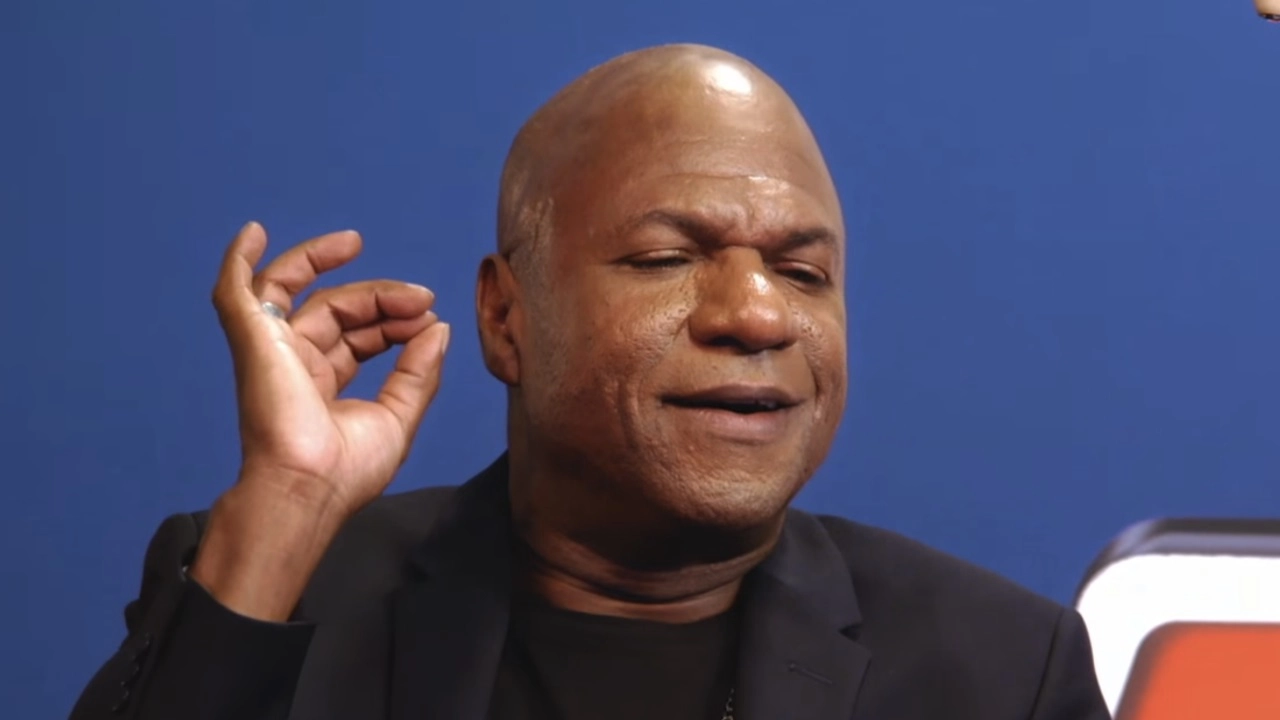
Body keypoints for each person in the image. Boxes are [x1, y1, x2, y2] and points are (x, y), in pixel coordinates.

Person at [70, 44, 1110, 720]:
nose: (757, 315)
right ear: (505, 318)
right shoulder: (277, 595)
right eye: (665, 259)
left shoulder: (1000, 672)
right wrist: (288, 504)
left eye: (803, 274)